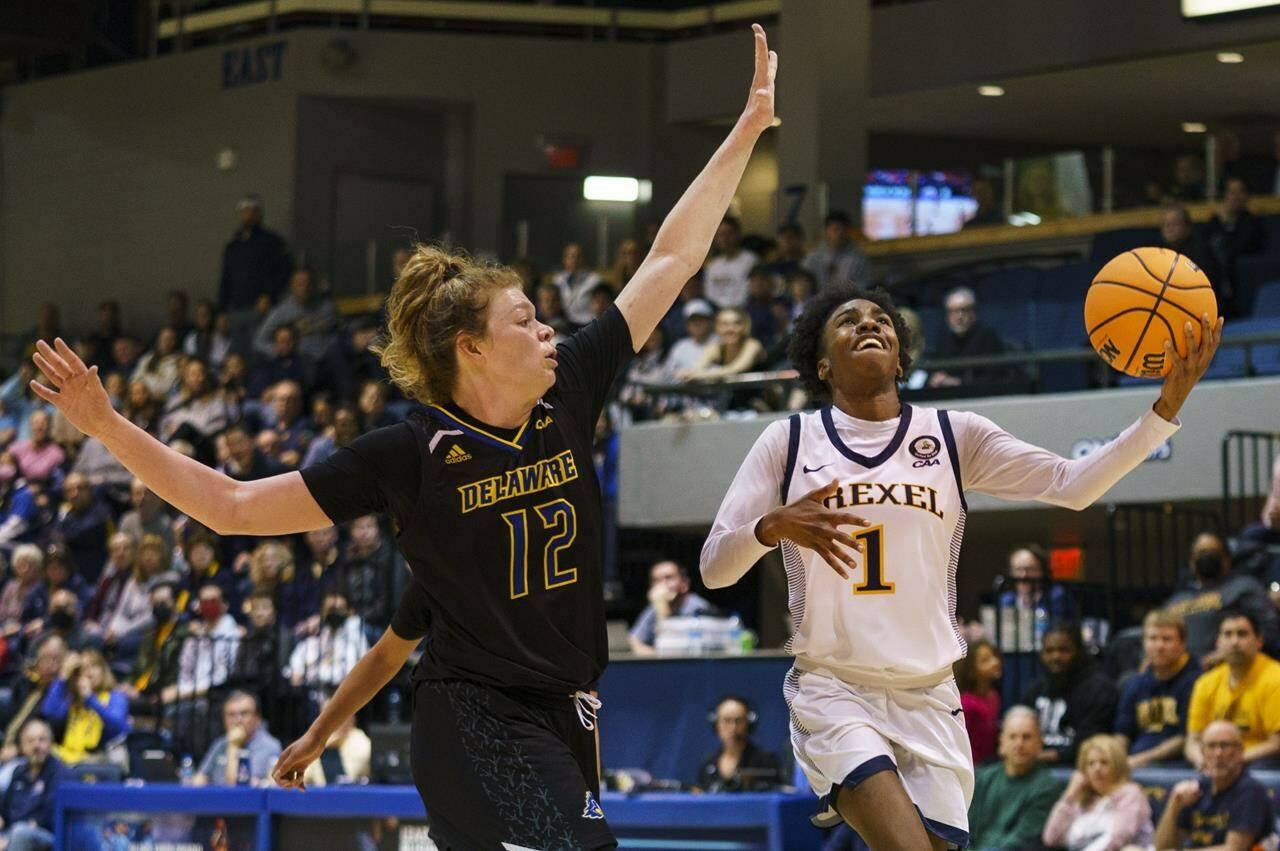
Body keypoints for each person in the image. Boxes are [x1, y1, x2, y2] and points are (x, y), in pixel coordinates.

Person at [31, 24, 778, 851]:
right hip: (472, 717)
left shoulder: (569, 386)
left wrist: (744, 130)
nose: (548, 331)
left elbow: (672, 258)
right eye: (526, 319)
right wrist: (104, 424)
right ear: (471, 348)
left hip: (568, 707)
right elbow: (233, 505)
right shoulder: (407, 456)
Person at [699, 276, 1220, 847]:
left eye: (881, 319)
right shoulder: (789, 440)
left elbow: (1071, 484)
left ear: (901, 360)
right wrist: (769, 527)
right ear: (822, 365)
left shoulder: (952, 435)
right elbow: (715, 567)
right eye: (848, 321)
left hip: (930, 695)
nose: (869, 324)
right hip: (835, 688)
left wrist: (1164, 410)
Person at [1156, 720, 1277, 850]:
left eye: (1225, 746)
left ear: (1240, 751)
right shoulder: (1196, 789)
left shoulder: (1250, 791)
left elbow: (1234, 849)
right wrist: (1174, 805)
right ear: (1202, 753)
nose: (1218, 753)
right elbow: (1163, 847)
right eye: (1211, 746)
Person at [1163, 532, 1280, 665]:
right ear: (1191, 562)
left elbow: (1269, 629)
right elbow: (1157, 630)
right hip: (1178, 672)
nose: (1207, 556)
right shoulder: (1177, 598)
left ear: (1226, 560)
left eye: (1213, 551)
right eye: (1201, 552)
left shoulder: (1243, 587)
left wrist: (1230, 653)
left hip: (1228, 668)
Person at [1184, 608, 1280, 768]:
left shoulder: (1275, 678)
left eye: (1242, 634)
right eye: (1227, 634)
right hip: (1215, 762)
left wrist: (1228, 761)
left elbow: (1276, 744)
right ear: (1218, 642)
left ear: (1259, 641)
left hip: (1259, 763)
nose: (1234, 642)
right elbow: (1192, 740)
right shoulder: (1205, 682)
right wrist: (1200, 759)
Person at [1018, 625, 1119, 767]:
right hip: (1033, 766)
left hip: (1079, 769)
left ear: (1078, 652)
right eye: (1049, 651)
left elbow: (1091, 742)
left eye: (1063, 650)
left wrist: (1044, 757)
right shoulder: (1035, 690)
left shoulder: (1099, 689)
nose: (1056, 657)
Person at [967, 707, 1063, 851]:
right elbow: (967, 830)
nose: (1019, 744)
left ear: (1040, 742)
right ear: (1002, 742)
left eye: (1026, 737)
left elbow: (1023, 840)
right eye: (1013, 736)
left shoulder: (1047, 787)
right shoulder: (984, 778)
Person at [1114, 609, 1200, 767]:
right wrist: (1116, 760)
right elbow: (1122, 734)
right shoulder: (1134, 683)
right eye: (1153, 638)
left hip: (1176, 766)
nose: (1159, 646)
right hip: (1134, 762)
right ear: (1144, 643)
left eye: (1167, 639)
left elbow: (1184, 738)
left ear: (1183, 644)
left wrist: (1139, 760)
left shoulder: (1197, 682)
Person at [1040, 734, 1153, 851]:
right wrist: (1069, 795)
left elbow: (1117, 838)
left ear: (1117, 766)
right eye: (1091, 763)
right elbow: (1051, 838)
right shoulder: (1080, 798)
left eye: (1104, 762)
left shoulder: (1130, 794)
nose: (1097, 768)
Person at [39, 649, 130, 765]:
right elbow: (48, 713)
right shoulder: (73, 698)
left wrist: (90, 699)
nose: (89, 673)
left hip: (101, 757)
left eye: (94, 666)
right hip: (69, 756)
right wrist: (62, 677)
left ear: (103, 670)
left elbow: (117, 726)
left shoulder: (116, 696)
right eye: (84, 670)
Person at [219, 195, 291, 323]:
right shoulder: (233, 246)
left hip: (261, 309)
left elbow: (284, 271)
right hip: (236, 310)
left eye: (253, 211)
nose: (249, 215)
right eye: (245, 211)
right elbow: (226, 278)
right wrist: (222, 310)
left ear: (259, 214)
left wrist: (269, 296)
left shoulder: (272, 241)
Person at [0, 719, 68, 851]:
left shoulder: (60, 773)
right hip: (12, 832)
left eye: (42, 740)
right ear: (22, 747)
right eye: (30, 741)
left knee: (20, 833)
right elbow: (3, 810)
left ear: (50, 743)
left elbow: (50, 817)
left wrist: (8, 840)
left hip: (45, 835)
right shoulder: (18, 772)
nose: (36, 745)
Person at [1205, 177, 1265, 318]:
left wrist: (1227, 227)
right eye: (1231, 192)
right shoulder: (1214, 223)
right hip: (1217, 288)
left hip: (1245, 285)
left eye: (1240, 192)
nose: (1236, 197)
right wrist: (1223, 224)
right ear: (1225, 196)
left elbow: (1241, 248)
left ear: (1247, 196)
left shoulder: (1254, 223)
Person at [193, 691, 282, 787]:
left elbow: (237, 786)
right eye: (231, 715)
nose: (238, 720)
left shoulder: (269, 746)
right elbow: (200, 778)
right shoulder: (220, 743)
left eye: (244, 713)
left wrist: (233, 745)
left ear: (257, 717)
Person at [996, 544, 1077, 648]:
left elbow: (1061, 633)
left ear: (1042, 571)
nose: (1023, 575)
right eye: (1017, 569)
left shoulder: (1057, 596)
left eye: (1030, 569)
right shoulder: (1006, 600)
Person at [927, 287, 1009, 389]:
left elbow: (994, 378)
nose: (958, 317)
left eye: (963, 310)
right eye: (952, 311)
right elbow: (931, 372)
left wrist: (957, 383)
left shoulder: (987, 338)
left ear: (973, 312)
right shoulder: (943, 341)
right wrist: (934, 380)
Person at [628, 560, 715, 655]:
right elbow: (633, 641)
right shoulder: (654, 607)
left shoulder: (698, 607)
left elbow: (671, 646)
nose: (662, 584)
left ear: (684, 583)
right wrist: (653, 655)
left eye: (669, 578)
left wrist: (661, 606)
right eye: (656, 580)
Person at [696, 695, 781, 792]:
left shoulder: (765, 761)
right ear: (716, 725)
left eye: (739, 721)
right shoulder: (707, 764)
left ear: (749, 724)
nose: (733, 727)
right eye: (727, 720)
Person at [253, 267, 338, 362]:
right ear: (292, 286)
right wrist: (278, 351)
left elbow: (337, 330)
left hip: (326, 359)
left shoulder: (325, 306)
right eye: (299, 284)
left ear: (313, 286)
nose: (304, 288)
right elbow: (259, 341)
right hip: (297, 363)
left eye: (307, 283)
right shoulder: (281, 312)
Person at [1160, 205, 1223, 305]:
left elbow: (1205, 282)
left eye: (1174, 223)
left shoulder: (1201, 250)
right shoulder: (1161, 252)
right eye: (1165, 224)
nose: (1168, 228)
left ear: (1187, 227)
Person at [299, 700, 371, 787]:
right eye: (325, 716)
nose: (329, 721)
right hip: (320, 796)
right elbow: (303, 776)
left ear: (351, 717)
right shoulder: (318, 740)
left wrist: (331, 744)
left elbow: (344, 779)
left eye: (335, 715)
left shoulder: (360, 741)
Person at [953, 639, 1002, 765]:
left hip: (992, 761)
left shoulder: (993, 695)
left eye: (994, 656)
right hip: (974, 765)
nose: (995, 662)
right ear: (971, 671)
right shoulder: (967, 703)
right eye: (986, 660)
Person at [802, 212, 869, 290]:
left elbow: (864, 284)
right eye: (835, 229)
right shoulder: (812, 258)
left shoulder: (859, 258)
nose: (840, 233)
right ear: (826, 231)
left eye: (843, 230)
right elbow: (804, 285)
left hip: (848, 300)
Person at [703, 217, 758, 309]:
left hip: (745, 309)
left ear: (738, 235)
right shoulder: (712, 265)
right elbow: (709, 293)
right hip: (716, 312)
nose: (725, 239)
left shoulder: (751, 260)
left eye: (729, 234)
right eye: (721, 235)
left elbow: (752, 291)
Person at [553, 242, 605, 327]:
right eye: (570, 257)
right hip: (565, 324)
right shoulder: (558, 280)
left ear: (583, 259)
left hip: (588, 324)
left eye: (578, 257)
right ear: (564, 260)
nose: (574, 260)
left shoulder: (594, 280)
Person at [664, 300, 718, 375]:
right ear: (686, 324)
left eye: (701, 319)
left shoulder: (720, 342)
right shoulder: (680, 347)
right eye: (693, 320)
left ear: (710, 321)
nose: (697, 323)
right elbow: (669, 374)